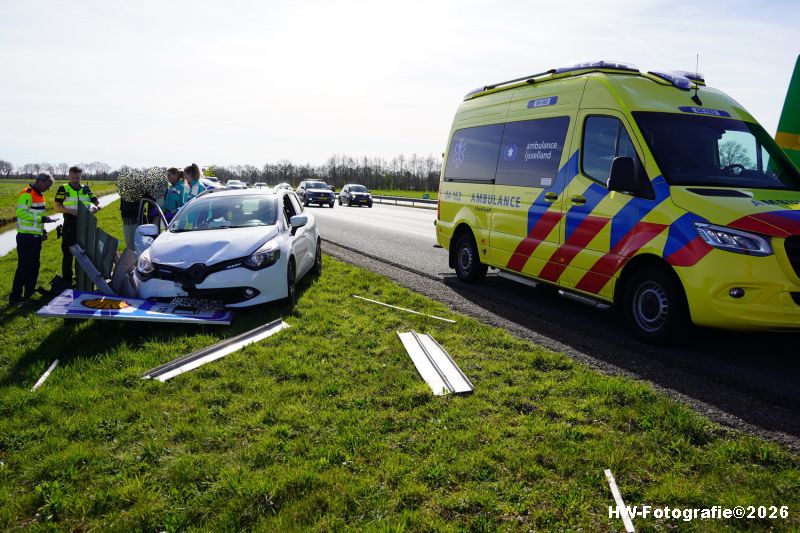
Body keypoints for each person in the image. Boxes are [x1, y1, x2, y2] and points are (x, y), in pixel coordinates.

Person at [9, 173, 56, 305]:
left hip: (36, 237)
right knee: (24, 267)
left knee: (34, 266)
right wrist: (42, 220)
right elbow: (21, 213)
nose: (48, 188)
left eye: (50, 186)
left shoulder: (40, 195)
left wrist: (43, 230)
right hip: (25, 237)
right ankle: (15, 298)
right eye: (47, 185)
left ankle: (28, 295)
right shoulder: (27, 193)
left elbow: (39, 214)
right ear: (38, 181)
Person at [54, 166, 100, 286]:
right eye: (73, 177)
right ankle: (67, 280)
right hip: (70, 224)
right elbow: (56, 207)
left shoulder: (86, 188)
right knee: (68, 253)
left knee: (84, 252)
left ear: (81, 177)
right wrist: (72, 212)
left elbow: (96, 203)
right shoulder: (63, 188)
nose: (75, 180)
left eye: (77, 178)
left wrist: (95, 208)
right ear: (68, 176)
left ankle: (81, 278)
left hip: (85, 224)